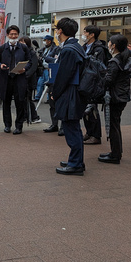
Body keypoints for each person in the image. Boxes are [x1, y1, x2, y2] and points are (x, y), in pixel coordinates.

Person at [53, 17, 87, 176]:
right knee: (75, 128)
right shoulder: (77, 47)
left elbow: (63, 76)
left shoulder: (68, 50)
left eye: (57, 29)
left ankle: (75, 164)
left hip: (70, 93)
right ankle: (77, 160)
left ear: (60, 30)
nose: (56, 32)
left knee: (71, 129)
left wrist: (55, 93)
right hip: (76, 92)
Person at [98, 34, 131, 164]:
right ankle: (116, 152)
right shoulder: (127, 59)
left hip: (114, 97)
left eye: (109, 42)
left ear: (113, 45)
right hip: (123, 95)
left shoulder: (115, 61)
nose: (108, 44)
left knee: (113, 125)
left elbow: (108, 80)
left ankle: (115, 155)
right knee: (116, 124)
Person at [0, 25, 30, 135]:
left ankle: (19, 125)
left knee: (20, 102)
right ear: (7, 35)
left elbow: (30, 61)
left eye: (15, 34)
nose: (13, 36)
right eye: (11, 34)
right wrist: (0, 65)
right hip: (6, 79)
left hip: (19, 78)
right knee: (6, 102)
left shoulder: (23, 48)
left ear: (18, 35)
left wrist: (25, 69)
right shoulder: (2, 48)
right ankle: (7, 125)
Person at [81, 25, 109, 145]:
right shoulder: (84, 47)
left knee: (92, 109)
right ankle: (89, 132)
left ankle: (96, 135)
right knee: (85, 109)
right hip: (84, 81)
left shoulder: (99, 49)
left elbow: (99, 68)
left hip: (94, 83)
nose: (83, 34)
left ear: (92, 35)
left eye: (85, 32)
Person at [20, 36, 41, 124]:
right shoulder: (21, 52)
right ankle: (25, 116)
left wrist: (26, 75)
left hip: (29, 79)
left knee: (28, 98)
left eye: (22, 42)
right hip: (22, 78)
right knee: (23, 99)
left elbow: (34, 66)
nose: (21, 44)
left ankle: (34, 116)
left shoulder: (31, 53)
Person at [35, 35, 56, 100]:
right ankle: (38, 97)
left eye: (45, 40)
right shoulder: (43, 49)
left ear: (49, 41)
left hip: (49, 68)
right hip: (43, 68)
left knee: (49, 84)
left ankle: (48, 98)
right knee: (40, 83)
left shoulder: (54, 48)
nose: (44, 42)